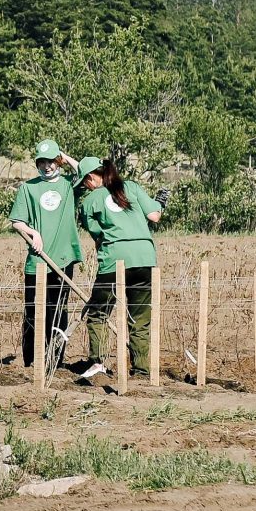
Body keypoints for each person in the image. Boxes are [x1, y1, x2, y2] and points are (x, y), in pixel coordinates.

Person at [74, 157, 160, 382]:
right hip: (144, 258)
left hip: (115, 261)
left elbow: (98, 236)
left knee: (98, 312)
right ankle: (141, 371)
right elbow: (154, 215)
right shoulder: (131, 186)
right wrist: (159, 203)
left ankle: (98, 364)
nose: (85, 188)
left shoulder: (90, 200)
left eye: (84, 183)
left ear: (91, 178)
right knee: (140, 317)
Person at [7, 138, 83, 369]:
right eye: (42, 162)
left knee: (59, 309)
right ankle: (31, 362)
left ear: (57, 162)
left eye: (51, 161)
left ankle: (55, 361)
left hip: (63, 258)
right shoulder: (28, 188)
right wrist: (33, 233)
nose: (47, 166)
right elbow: (16, 222)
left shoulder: (70, 185)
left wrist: (63, 154)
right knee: (33, 310)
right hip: (37, 261)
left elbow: (86, 171)